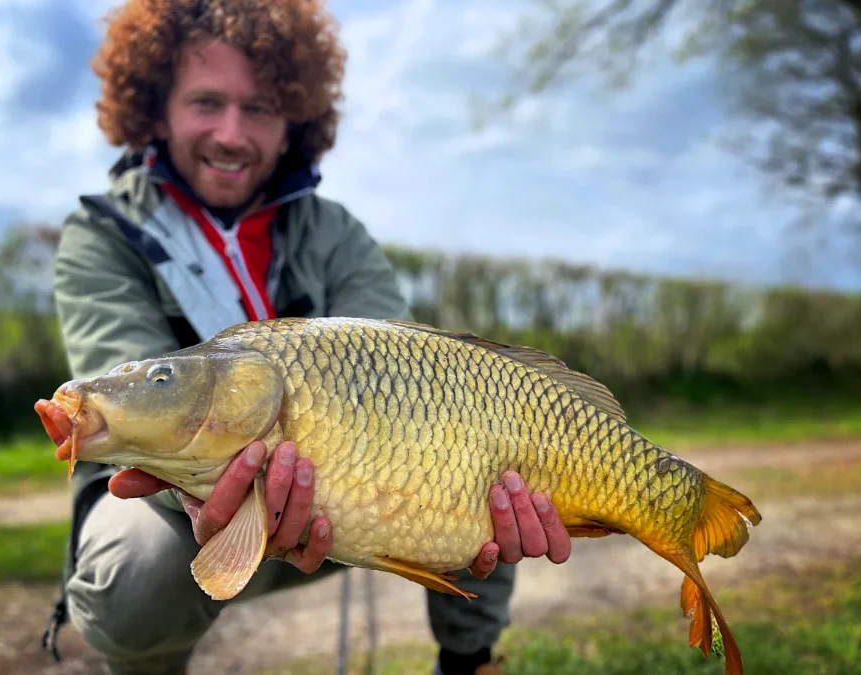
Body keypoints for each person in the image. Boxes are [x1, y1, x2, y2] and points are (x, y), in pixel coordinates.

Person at [45, 2, 572, 674]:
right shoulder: (103, 235)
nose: (232, 134)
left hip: (346, 499)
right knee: (137, 577)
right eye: (206, 102)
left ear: (295, 118)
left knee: (482, 461)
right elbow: (125, 417)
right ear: (156, 107)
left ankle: (470, 661)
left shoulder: (335, 232)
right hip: (172, 505)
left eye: (259, 109)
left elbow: (414, 373)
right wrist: (213, 493)